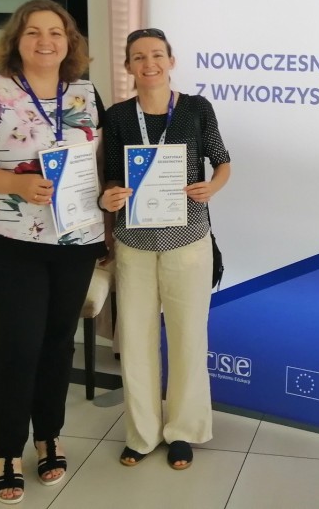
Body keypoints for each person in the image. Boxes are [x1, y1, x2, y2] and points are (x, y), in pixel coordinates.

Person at [0, 0, 106, 504]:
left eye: (56, 32)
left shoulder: (85, 93)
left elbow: (97, 165)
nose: (45, 41)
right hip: (11, 243)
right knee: (18, 346)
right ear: (17, 40)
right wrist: (15, 184)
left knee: (58, 343)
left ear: (69, 43)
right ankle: (8, 451)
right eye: (33, 32)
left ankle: (48, 436)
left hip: (75, 239)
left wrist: (109, 219)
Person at [99, 27, 230, 470]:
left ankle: (183, 431)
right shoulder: (118, 115)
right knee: (135, 340)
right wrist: (110, 196)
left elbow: (222, 161)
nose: (149, 63)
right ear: (128, 66)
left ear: (171, 61)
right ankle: (142, 434)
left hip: (187, 240)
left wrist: (212, 187)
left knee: (188, 338)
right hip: (134, 242)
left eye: (157, 55)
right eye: (138, 57)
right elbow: (112, 174)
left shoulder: (196, 108)